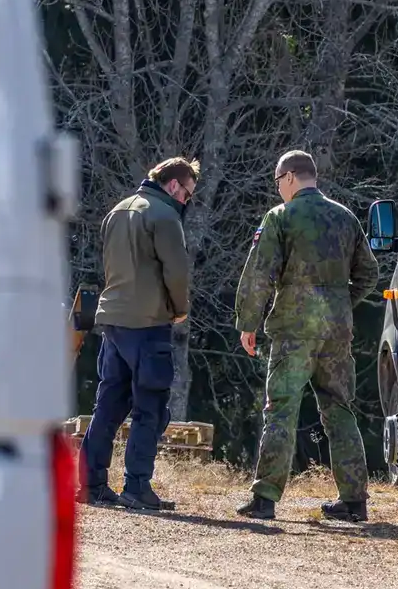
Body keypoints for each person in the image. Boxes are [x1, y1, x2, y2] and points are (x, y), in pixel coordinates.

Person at [234, 150, 380, 522]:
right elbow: (369, 273)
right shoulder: (346, 217)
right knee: (339, 410)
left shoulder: (281, 217)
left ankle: (265, 497)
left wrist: (247, 322)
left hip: (294, 331)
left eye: (277, 181)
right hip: (336, 331)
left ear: (289, 178)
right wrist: (341, 303)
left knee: (281, 408)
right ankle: (354, 501)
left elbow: (259, 273)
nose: (278, 189)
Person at [78, 157, 199, 511]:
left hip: (113, 319)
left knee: (108, 405)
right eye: (188, 193)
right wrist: (180, 308)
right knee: (150, 406)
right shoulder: (165, 216)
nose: (187, 201)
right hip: (148, 323)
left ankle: (91, 483)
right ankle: (137, 486)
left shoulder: (117, 211)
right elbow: (176, 272)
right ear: (174, 185)